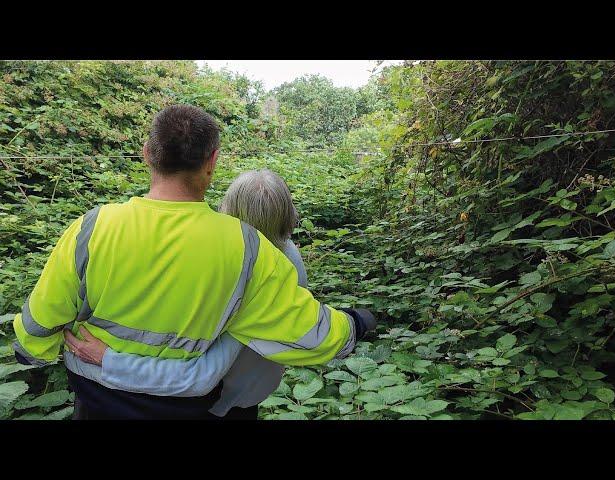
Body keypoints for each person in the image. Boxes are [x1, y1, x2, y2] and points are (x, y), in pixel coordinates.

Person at [12, 104, 375, 420]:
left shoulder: (92, 227)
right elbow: (310, 333)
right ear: (212, 161)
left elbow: (43, 316)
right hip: (185, 408)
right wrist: (355, 324)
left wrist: (33, 352)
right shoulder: (247, 247)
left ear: (146, 153)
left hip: (96, 398)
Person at [64, 169, 334, 419]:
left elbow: (200, 376)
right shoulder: (288, 258)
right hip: (247, 394)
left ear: (229, 211)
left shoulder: (247, 275)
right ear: (288, 215)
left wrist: (109, 361)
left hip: (212, 403)